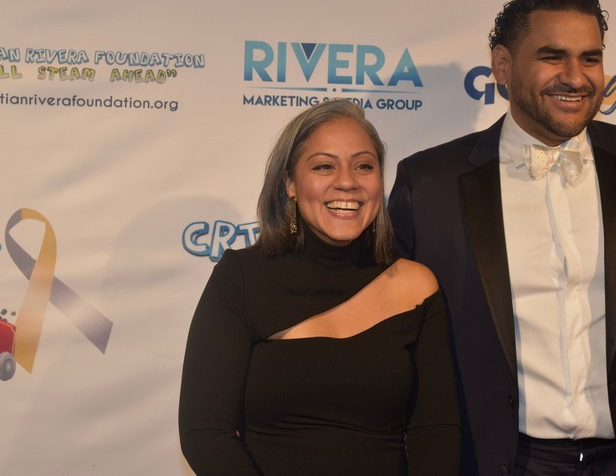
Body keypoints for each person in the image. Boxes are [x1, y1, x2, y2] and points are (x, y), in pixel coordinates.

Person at [388, 0, 616, 475]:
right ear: (502, 65)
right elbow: (396, 344)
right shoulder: (430, 184)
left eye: (590, 58)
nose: (576, 78)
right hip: (500, 462)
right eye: (552, 57)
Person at [179, 99, 461, 475]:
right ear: (290, 184)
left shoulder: (416, 286)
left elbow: (436, 432)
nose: (347, 181)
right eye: (324, 166)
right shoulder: (242, 277)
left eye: (364, 166)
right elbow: (204, 433)